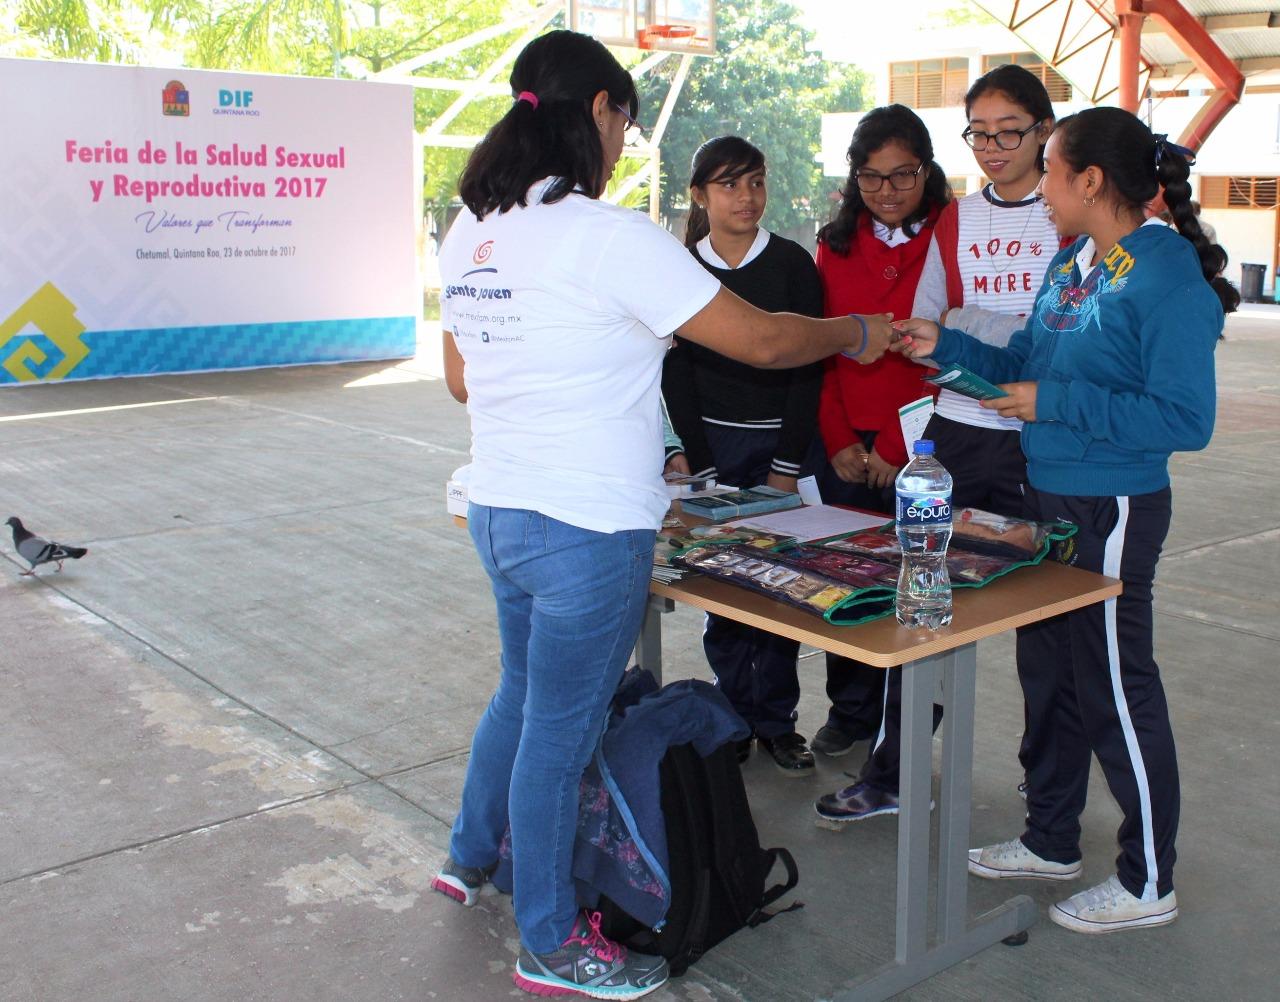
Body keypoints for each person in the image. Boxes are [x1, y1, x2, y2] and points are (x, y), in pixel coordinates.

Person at [432, 30, 893, 998]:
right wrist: (858, 331)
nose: (621, 143)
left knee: (520, 699)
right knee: (560, 734)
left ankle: (466, 859)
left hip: (499, 513)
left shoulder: (472, 229)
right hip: (585, 531)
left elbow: (460, 380)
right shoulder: (606, 237)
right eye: (623, 123)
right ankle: (550, 943)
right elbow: (763, 341)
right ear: (598, 111)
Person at [892, 106, 1238, 934]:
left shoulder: (1164, 275)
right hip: (1047, 493)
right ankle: (1052, 839)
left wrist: (1055, 402)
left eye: (1048, 169)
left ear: (1089, 180)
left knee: (1117, 686)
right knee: (1059, 674)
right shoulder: (1076, 259)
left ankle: (1148, 879)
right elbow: (1020, 366)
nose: (1036, 186)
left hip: (1111, 502)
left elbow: (1184, 419)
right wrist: (943, 346)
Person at [816, 64, 1063, 822]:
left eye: (1009, 132)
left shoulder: (1066, 212)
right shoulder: (958, 223)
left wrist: (971, 330)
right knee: (921, 604)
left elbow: (1060, 341)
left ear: (1044, 131)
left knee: (1049, 630)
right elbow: (923, 332)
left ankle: (1049, 796)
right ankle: (889, 777)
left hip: (1041, 442)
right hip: (957, 438)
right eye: (979, 133)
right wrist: (978, 336)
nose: (992, 147)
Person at [662, 136, 825, 775]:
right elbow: (674, 371)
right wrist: (695, 461)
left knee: (785, 587)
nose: (747, 197)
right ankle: (733, 718)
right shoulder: (679, 267)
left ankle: (778, 723)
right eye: (729, 185)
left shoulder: (792, 265)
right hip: (713, 453)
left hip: (780, 448)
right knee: (724, 587)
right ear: (699, 195)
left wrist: (787, 463)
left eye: (756, 182)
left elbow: (807, 366)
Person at [808, 105, 951, 760]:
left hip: (924, 446)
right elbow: (823, 353)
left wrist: (899, 450)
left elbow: (946, 359)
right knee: (851, 579)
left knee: (920, 582)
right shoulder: (832, 247)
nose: (887, 192)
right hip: (847, 446)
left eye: (902, 176)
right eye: (871, 177)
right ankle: (852, 709)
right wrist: (840, 440)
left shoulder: (948, 235)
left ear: (927, 170)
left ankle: (909, 722)